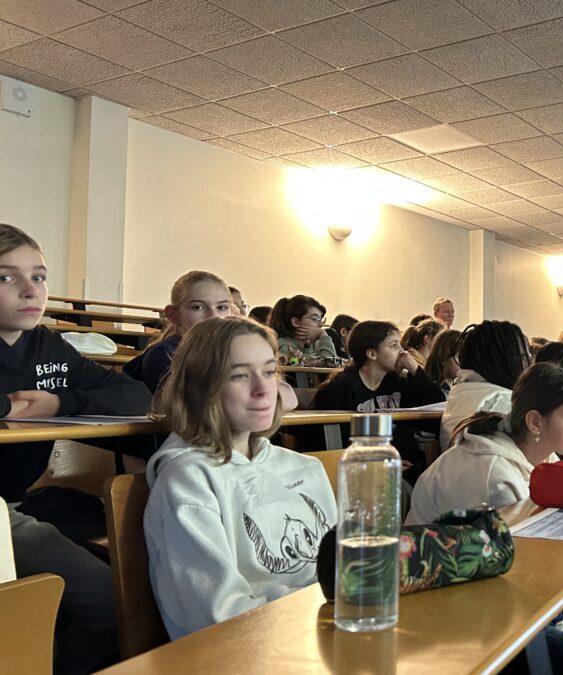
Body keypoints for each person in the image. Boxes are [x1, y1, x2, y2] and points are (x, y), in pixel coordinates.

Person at [407, 364, 563, 674]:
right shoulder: (494, 477)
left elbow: (547, 558)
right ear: (535, 422)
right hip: (444, 607)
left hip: (501, 587)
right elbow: (525, 578)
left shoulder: (542, 455)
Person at [1, 223, 152, 673]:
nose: (31, 289)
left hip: (15, 508)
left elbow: (135, 396)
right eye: (6, 277)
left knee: (109, 602)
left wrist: (60, 402)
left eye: (40, 276)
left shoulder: (50, 346)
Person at [144, 317, 336, 641]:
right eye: (239, 375)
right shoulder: (187, 482)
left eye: (269, 371)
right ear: (200, 386)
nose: (263, 389)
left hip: (325, 635)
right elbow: (218, 618)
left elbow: (344, 570)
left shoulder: (305, 467)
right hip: (249, 651)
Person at [313, 321, 445, 478]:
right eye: (394, 345)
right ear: (372, 354)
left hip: (399, 461)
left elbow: (436, 404)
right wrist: (377, 462)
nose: (403, 352)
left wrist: (414, 369)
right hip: (359, 467)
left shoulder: (396, 382)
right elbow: (333, 439)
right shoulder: (342, 386)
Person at [124, 270, 234, 394]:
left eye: (222, 307)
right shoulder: (163, 355)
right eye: (198, 307)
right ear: (173, 314)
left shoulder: (234, 352)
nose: (213, 316)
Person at [440, 320, 531, 449]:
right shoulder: (500, 401)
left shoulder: (463, 390)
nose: (529, 361)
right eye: (523, 355)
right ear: (503, 360)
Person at [269, 295, 337, 360]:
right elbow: (329, 363)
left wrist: (307, 346)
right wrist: (323, 334)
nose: (321, 324)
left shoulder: (315, 343)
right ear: (296, 322)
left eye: (321, 319)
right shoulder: (284, 345)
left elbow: (335, 363)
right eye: (315, 319)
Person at [424, 328, 462, 396]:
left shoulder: (456, 388)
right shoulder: (433, 391)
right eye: (459, 357)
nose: (464, 363)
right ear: (444, 356)